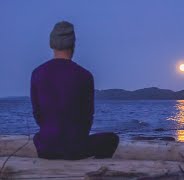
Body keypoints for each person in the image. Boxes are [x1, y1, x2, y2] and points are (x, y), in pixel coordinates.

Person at [31, 21, 119, 160]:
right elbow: (87, 117)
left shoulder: (37, 73)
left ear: (52, 44)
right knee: (112, 139)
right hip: (73, 149)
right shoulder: (85, 76)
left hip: (45, 148)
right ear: (73, 45)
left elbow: (38, 114)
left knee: (39, 136)